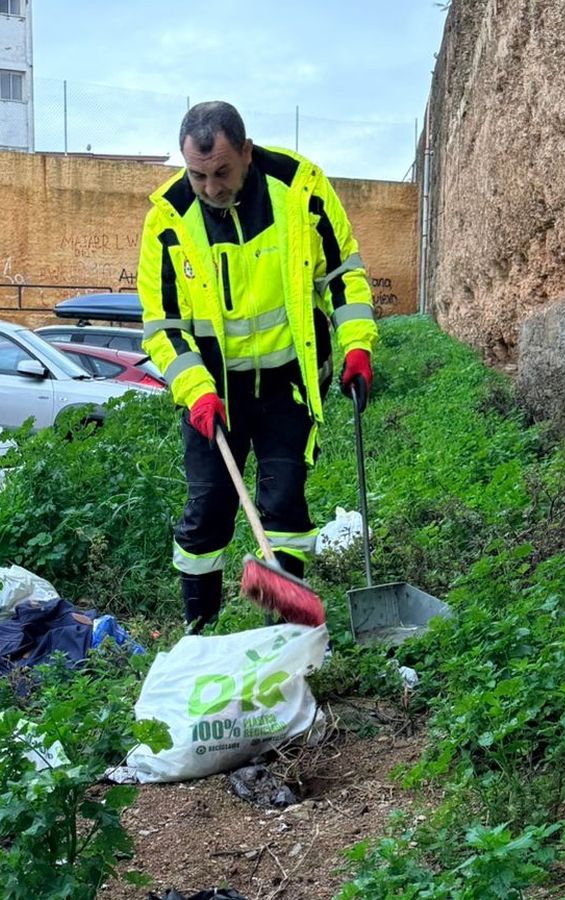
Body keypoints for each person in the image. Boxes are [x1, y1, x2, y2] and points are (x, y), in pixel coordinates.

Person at [137, 100, 378, 632]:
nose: (211, 187)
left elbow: (341, 273)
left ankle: (285, 632)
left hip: (286, 385)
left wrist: (357, 344)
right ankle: (198, 631)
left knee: (285, 505)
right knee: (207, 513)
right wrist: (196, 390)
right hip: (212, 394)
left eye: (222, 171)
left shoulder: (300, 189)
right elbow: (163, 326)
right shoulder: (168, 220)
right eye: (198, 174)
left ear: (246, 151)